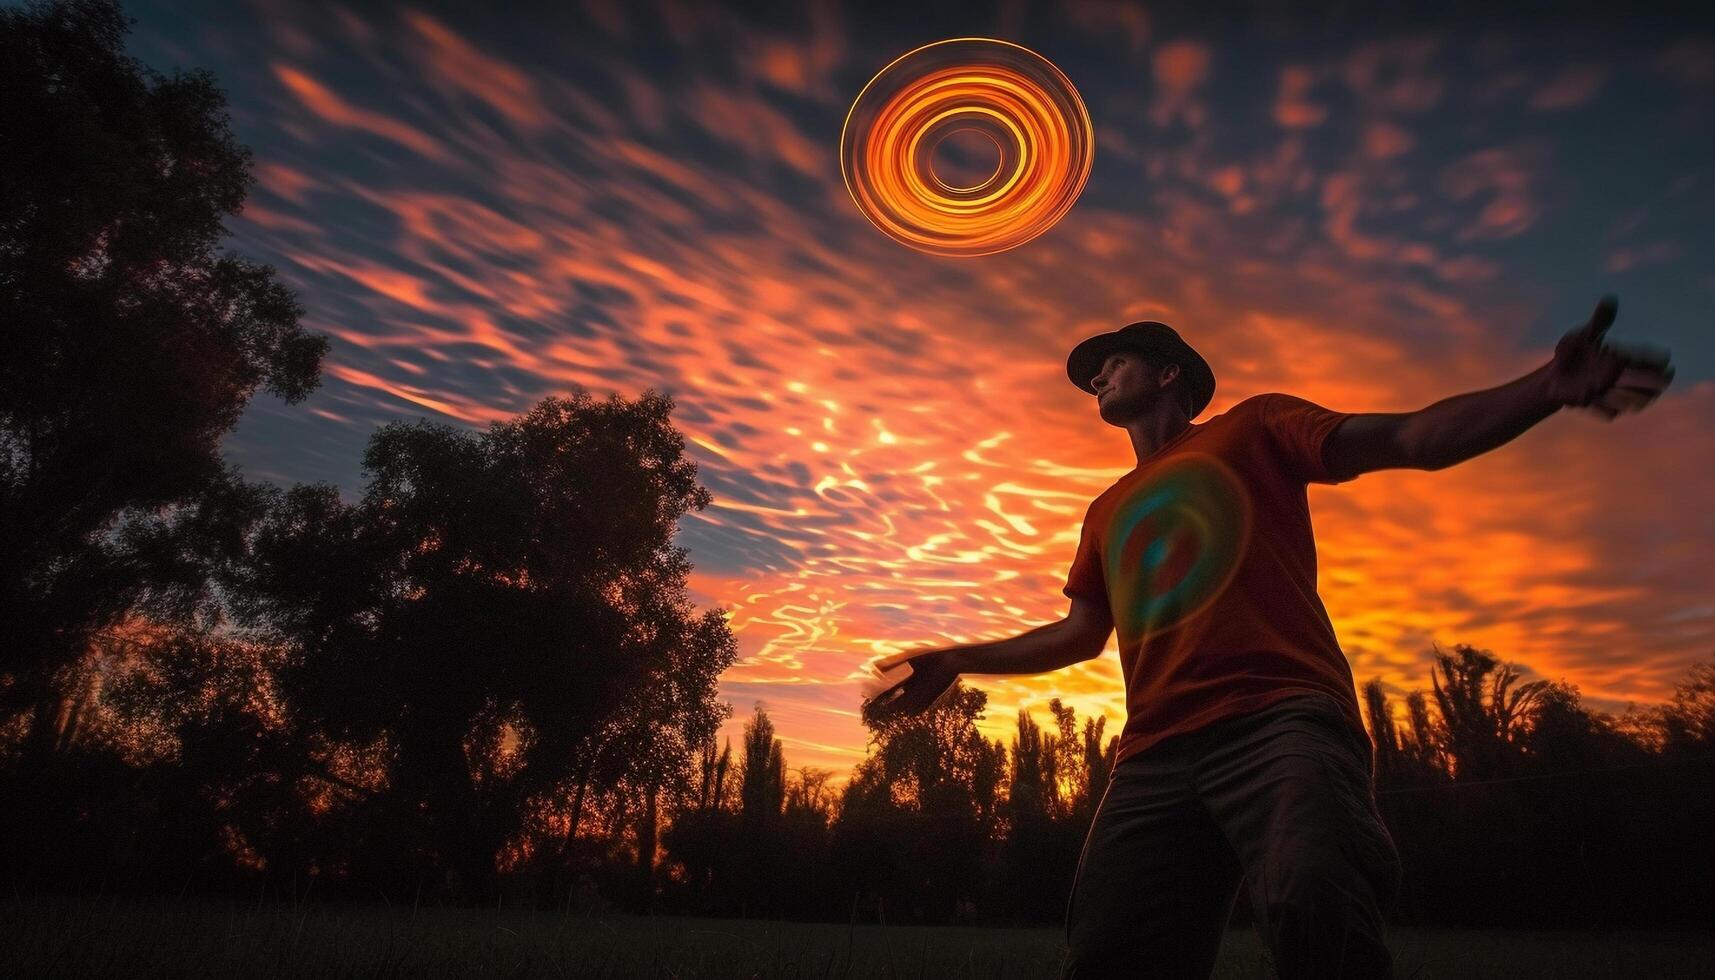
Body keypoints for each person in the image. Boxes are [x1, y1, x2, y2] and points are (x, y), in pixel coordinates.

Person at [861, 296, 1674, 978]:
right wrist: (958, 658)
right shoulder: (1105, 510)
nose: (1096, 377)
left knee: (1315, 894)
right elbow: (1081, 633)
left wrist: (1544, 387)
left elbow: (1410, 440)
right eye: (1091, 373)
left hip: (1280, 720)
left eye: (1113, 361)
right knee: (1110, 950)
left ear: (1169, 372)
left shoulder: (1252, 428)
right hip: (1151, 756)